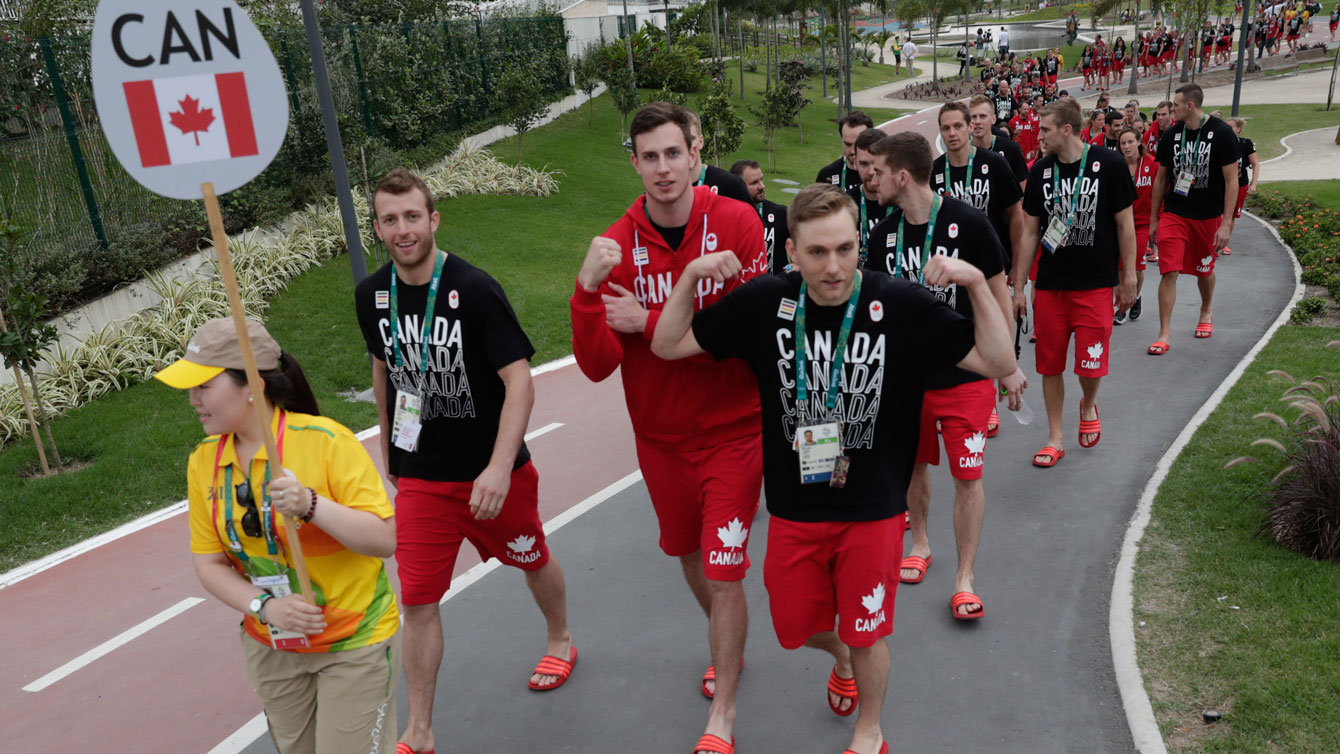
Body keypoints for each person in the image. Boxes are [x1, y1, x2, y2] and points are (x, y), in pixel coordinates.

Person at [650, 182, 1016, 754]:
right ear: (791, 252)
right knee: (794, 629)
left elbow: (999, 360)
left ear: (858, 248)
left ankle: (869, 730)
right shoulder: (766, 302)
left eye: (845, 249)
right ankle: (840, 653)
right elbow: (668, 344)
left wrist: (975, 283)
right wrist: (692, 276)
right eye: (817, 252)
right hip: (795, 509)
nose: (833, 266)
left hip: (872, 508)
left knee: (868, 633)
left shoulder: (896, 303)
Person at [355, 168, 575, 754]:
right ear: (377, 227)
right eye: (389, 219)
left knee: (532, 556)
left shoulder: (473, 290)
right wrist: (387, 443)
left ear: (433, 219)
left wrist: (500, 467)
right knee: (418, 599)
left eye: (412, 216)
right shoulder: (371, 294)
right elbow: (383, 366)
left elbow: (519, 381)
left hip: (492, 476)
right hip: (424, 477)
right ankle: (420, 729)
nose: (402, 229)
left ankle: (559, 637)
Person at [570, 101, 766, 754]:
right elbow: (598, 366)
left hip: (736, 431)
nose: (662, 169)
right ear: (634, 162)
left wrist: (649, 323)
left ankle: (724, 717)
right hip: (660, 443)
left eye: (672, 153)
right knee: (690, 556)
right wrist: (584, 293)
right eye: (648, 157)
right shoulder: (614, 244)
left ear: (695, 151)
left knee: (725, 569)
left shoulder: (737, 221)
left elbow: (746, 337)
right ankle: (727, 642)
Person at [159, 317, 400, 754]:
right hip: (273, 644)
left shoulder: (326, 442)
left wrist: (311, 505)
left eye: (204, 386)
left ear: (252, 384)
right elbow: (209, 563)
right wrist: (265, 607)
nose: (193, 400)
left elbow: (383, 539)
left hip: (353, 640)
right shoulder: (204, 462)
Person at [864, 131, 1024, 621]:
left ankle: (965, 578)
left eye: (878, 172)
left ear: (902, 175)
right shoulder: (881, 234)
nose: (870, 178)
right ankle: (920, 542)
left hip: (964, 375)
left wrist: (1010, 366)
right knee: (914, 468)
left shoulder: (969, 223)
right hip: (906, 380)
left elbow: (999, 298)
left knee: (967, 477)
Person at [1012, 98, 1138, 468]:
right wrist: (1019, 287)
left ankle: (1087, 403)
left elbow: (1125, 224)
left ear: (1067, 130)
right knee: (1049, 365)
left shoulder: (1109, 165)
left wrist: (1128, 276)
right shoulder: (1040, 171)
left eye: (1045, 130)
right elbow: (1031, 232)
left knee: (1089, 365)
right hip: (1051, 285)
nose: (1039, 136)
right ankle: (1054, 436)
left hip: (1096, 283)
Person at [1147, 84, 1239, 356]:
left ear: (1190, 106)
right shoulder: (1172, 134)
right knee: (1169, 270)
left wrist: (1226, 224)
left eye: (1174, 105)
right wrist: (1154, 219)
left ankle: (1206, 309)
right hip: (1175, 213)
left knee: (1204, 270)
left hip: (1208, 215)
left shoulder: (1221, 134)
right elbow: (1161, 178)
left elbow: (1231, 181)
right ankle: (1164, 333)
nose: (1169, 110)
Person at [1115, 127, 1156, 325]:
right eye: (1123, 143)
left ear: (1139, 141)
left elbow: (1160, 193)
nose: (1127, 146)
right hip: (1119, 224)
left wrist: (1157, 221)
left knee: (1137, 265)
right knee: (1119, 266)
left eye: (1130, 142)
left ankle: (1134, 297)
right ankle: (1123, 303)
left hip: (1141, 223)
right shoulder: (1116, 165)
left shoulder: (1152, 164)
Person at [731, 159, 791, 274]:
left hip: (775, 290)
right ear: (738, 186)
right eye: (754, 183)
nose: (762, 186)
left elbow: (802, 257)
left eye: (761, 180)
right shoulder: (727, 218)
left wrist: (788, 270)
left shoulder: (780, 214)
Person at [848, 128, 895, 263]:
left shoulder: (904, 205)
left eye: (875, 164)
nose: (870, 172)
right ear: (855, 163)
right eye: (864, 164)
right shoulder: (843, 206)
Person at [686, 111, 753, 205]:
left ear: (701, 142)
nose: (687, 145)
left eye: (691, 138)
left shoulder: (731, 186)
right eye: (680, 139)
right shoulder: (662, 188)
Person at [969, 94, 1029, 188]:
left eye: (982, 116)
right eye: (973, 117)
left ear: (993, 119)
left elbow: (1023, 187)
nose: (977, 121)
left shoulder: (1011, 149)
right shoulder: (963, 152)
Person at [1224, 117, 1260, 256]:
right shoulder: (1222, 143)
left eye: (1231, 127)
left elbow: (1255, 164)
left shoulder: (1246, 144)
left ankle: (1225, 243)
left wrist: (1254, 184)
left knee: (1231, 214)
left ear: (1238, 129)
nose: (1228, 130)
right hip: (1222, 184)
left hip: (1240, 184)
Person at [818, 110, 876, 195]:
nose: (853, 151)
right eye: (848, 144)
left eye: (858, 144)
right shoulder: (827, 175)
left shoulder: (882, 175)